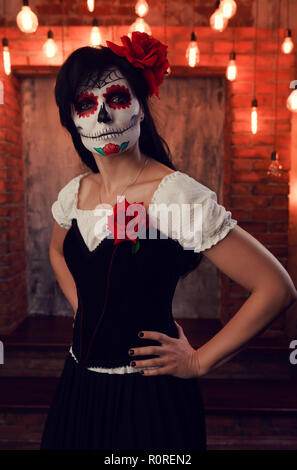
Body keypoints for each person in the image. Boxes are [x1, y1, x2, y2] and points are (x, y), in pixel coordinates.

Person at [40, 32, 297, 450]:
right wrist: (81, 307)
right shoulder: (76, 192)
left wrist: (197, 361)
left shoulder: (176, 194)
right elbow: (56, 251)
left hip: (147, 399)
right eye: (85, 104)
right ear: (72, 120)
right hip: (78, 388)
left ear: (141, 105)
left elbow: (276, 288)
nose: (102, 116)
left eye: (118, 97)